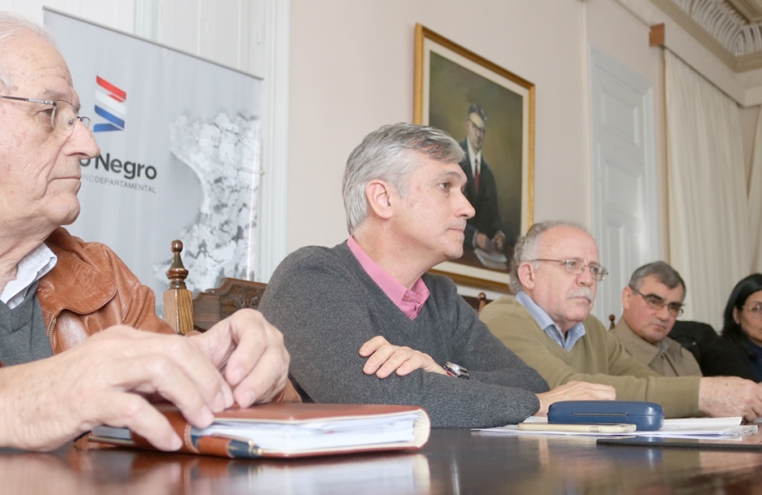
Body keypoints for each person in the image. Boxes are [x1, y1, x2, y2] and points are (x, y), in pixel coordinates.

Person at [0, 8, 295, 452]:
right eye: (51, 113)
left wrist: (243, 375)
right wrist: (12, 400)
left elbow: (196, 405)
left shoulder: (102, 278)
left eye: (78, 119)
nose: (89, 146)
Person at [258, 124, 614, 428]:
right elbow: (379, 398)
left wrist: (444, 372)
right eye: (445, 186)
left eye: (462, 190)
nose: (468, 208)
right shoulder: (310, 276)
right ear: (383, 199)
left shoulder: (440, 296)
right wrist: (536, 404)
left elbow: (527, 380)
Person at [480, 221, 762, 420]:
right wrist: (706, 394)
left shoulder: (591, 328)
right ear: (528, 274)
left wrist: (753, 396)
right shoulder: (503, 317)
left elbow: (649, 383)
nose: (587, 279)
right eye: (571, 264)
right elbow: (568, 389)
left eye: (593, 269)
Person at [610, 261, 702, 377]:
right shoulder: (602, 357)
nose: (664, 316)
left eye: (673, 307)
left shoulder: (684, 358)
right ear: (627, 297)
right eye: (654, 301)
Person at [458, 104, 505, 259]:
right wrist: (473, 236)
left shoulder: (488, 174)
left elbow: (493, 216)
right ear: (467, 125)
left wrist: (499, 233)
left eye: (482, 131)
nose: (478, 134)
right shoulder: (454, 159)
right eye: (475, 127)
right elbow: (443, 210)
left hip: (479, 256)